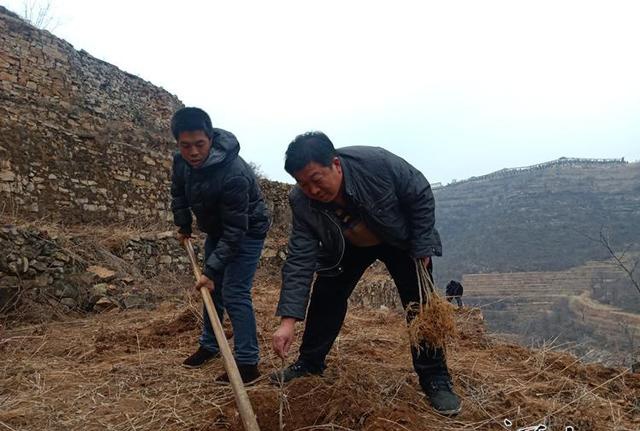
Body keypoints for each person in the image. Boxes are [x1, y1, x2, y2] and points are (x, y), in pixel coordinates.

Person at [270, 131, 461, 415]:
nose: (312, 190)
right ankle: (309, 363)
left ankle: (435, 378)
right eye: (302, 183)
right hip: (347, 244)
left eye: (316, 179)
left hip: (399, 239)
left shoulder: (377, 164)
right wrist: (288, 321)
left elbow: (419, 192)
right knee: (326, 296)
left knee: (421, 306)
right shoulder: (301, 201)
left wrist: (422, 245)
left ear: (335, 164)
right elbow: (300, 257)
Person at [170, 107, 270, 384]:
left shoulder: (233, 173)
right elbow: (178, 193)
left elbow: (237, 231)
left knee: (235, 291)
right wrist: (184, 226)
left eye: (199, 145)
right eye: (185, 146)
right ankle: (210, 345)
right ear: (177, 143)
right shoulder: (180, 162)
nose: (192, 152)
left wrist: (211, 271)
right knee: (211, 292)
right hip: (218, 228)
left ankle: (248, 363)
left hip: (247, 230)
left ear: (211, 138)